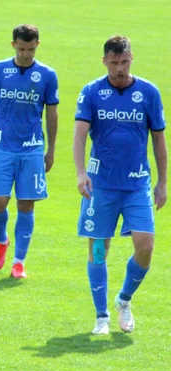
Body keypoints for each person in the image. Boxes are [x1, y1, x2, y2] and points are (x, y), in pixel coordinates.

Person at [73, 35, 167, 335]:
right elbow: (78, 136)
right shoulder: (91, 92)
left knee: (146, 247)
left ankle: (123, 300)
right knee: (99, 249)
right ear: (104, 61)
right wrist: (80, 172)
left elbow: (159, 140)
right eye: (114, 63)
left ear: (131, 58)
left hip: (138, 184)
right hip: (100, 185)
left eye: (124, 62)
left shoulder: (149, 92)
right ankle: (101, 316)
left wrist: (163, 182)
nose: (119, 69)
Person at [0, 24, 59, 278]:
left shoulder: (47, 74)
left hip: (32, 148)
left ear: (38, 45)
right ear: (13, 45)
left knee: (26, 205)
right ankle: (2, 241)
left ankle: (19, 261)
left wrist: (51, 149)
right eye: (22, 49)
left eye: (31, 49)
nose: (26, 54)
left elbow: (52, 113)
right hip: (2, 146)